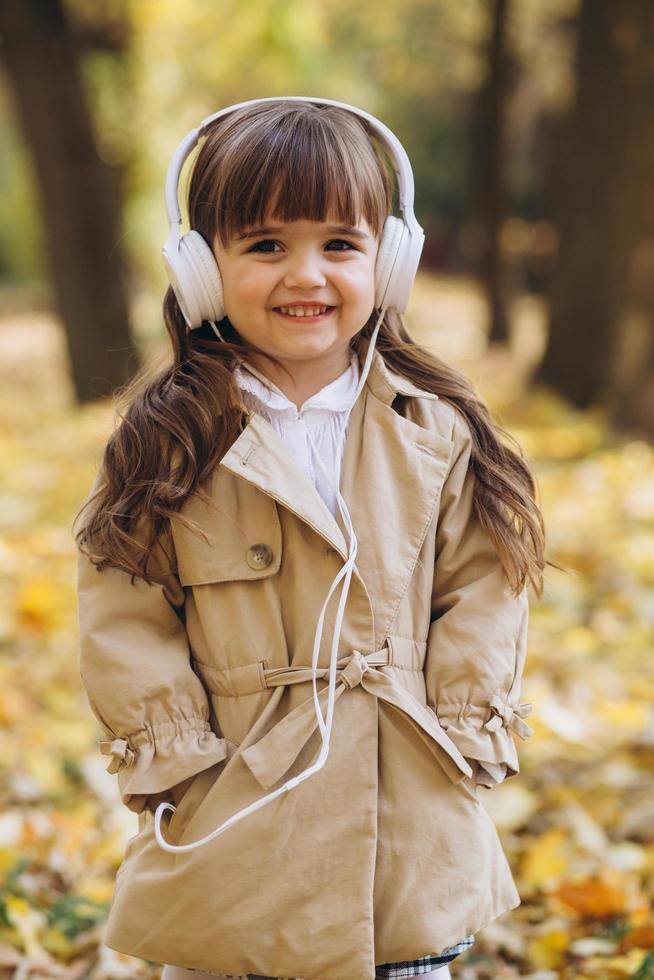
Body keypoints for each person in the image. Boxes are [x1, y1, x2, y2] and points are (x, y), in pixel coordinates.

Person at [73, 97, 556, 980]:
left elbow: (485, 584)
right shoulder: (173, 438)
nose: (308, 276)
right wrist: (179, 765)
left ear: (391, 260)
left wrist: (461, 731)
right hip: (239, 817)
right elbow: (124, 606)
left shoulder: (433, 430)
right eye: (266, 246)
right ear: (202, 269)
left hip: (403, 819)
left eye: (340, 244)